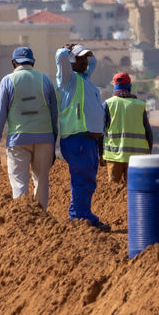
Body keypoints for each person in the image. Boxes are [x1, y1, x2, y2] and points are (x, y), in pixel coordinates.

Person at [0, 46, 58, 209]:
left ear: (14, 63)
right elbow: (54, 114)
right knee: (41, 181)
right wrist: (53, 142)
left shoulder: (7, 81)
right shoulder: (45, 80)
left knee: (19, 183)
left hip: (18, 140)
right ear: (33, 62)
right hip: (44, 138)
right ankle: (41, 220)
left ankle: (23, 217)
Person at [56, 43, 108, 230]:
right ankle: (79, 217)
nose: (85, 61)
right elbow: (60, 59)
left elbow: (93, 62)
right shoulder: (68, 80)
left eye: (85, 58)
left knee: (87, 179)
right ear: (71, 61)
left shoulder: (85, 79)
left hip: (88, 140)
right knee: (82, 179)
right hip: (77, 138)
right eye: (81, 58)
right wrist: (66, 50)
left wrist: (84, 51)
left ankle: (81, 213)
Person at [102, 71, 153, 185]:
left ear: (115, 87)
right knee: (135, 190)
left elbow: (100, 131)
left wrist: (100, 154)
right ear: (129, 87)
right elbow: (148, 132)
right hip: (137, 159)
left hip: (114, 157)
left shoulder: (107, 104)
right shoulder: (140, 105)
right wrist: (148, 152)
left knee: (114, 190)